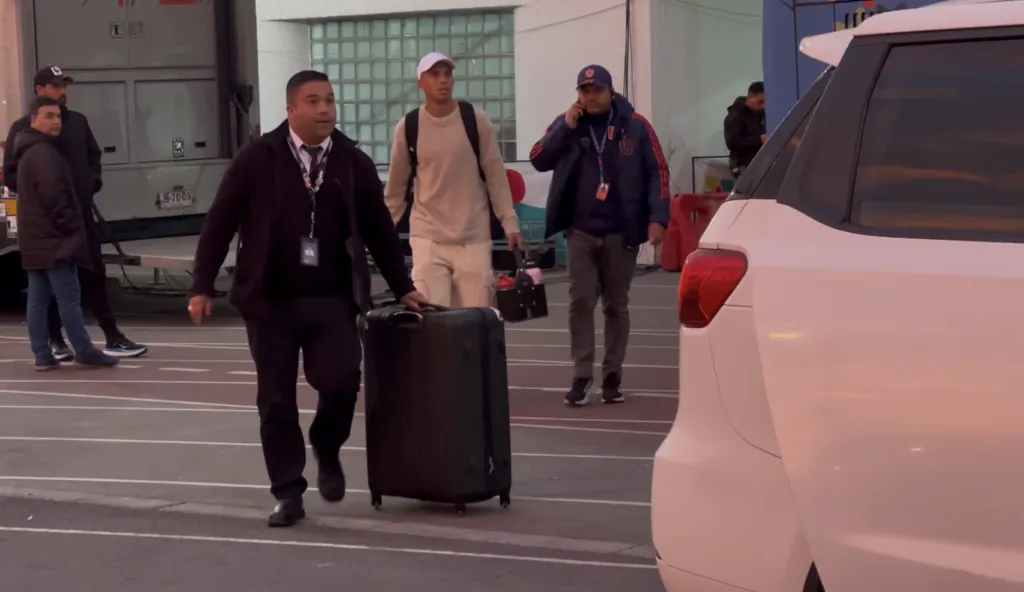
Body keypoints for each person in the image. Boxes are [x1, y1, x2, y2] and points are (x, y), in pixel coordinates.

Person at [188, 70, 428, 528]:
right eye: (314, 102)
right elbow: (219, 223)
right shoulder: (258, 158)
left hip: (330, 298)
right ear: (291, 109)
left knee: (340, 381)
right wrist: (201, 285)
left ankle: (327, 443)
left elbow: (379, 227)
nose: (324, 110)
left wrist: (404, 286)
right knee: (275, 401)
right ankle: (287, 492)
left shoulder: (351, 162)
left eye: (330, 101)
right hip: (270, 302)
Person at [529, 64, 670, 407]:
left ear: (610, 92)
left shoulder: (636, 126)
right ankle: (581, 374)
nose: (590, 96)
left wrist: (659, 219)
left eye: (596, 90)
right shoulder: (568, 123)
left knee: (616, 306)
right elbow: (538, 158)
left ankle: (612, 375)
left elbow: (658, 173)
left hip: (622, 232)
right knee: (580, 302)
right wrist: (564, 126)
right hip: (580, 231)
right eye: (584, 90)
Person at [2, 65, 148, 361]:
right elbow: (13, 173)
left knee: (93, 273)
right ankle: (58, 342)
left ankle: (111, 335)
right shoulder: (24, 129)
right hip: (51, 221)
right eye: (56, 86)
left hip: (81, 214)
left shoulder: (78, 122)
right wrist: (36, 195)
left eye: (65, 86)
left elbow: (94, 157)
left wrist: (91, 183)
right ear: (40, 91)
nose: (63, 92)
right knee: (56, 287)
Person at [383, 52, 523, 308]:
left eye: (447, 74)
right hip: (428, 237)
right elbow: (395, 190)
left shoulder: (476, 120)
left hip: (473, 236)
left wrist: (509, 222)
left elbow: (495, 176)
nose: (443, 80)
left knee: (475, 319)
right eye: (434, 74)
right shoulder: (408, 127)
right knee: (434, 320)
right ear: (420, 83)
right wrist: (380, 233)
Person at [13, 96, 119, 370]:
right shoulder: (43, 152)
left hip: (36, 241)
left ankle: (42, 354)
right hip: (55, 241)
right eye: (49, 116)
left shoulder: (28, 149)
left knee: (38, 299)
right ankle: (83, 349)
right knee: (69, 297)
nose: (56, 121)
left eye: (58, 116)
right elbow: (52, 195)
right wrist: (71, 227)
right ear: (34, 118)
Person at [724, 81, 767, 179]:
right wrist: (760, 140)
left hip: (756, 163)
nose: (763, 106)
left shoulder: (757, 114)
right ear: (750, 97)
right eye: (760, 101)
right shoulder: (736, 115)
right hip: (742, 164)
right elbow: (732, 142)